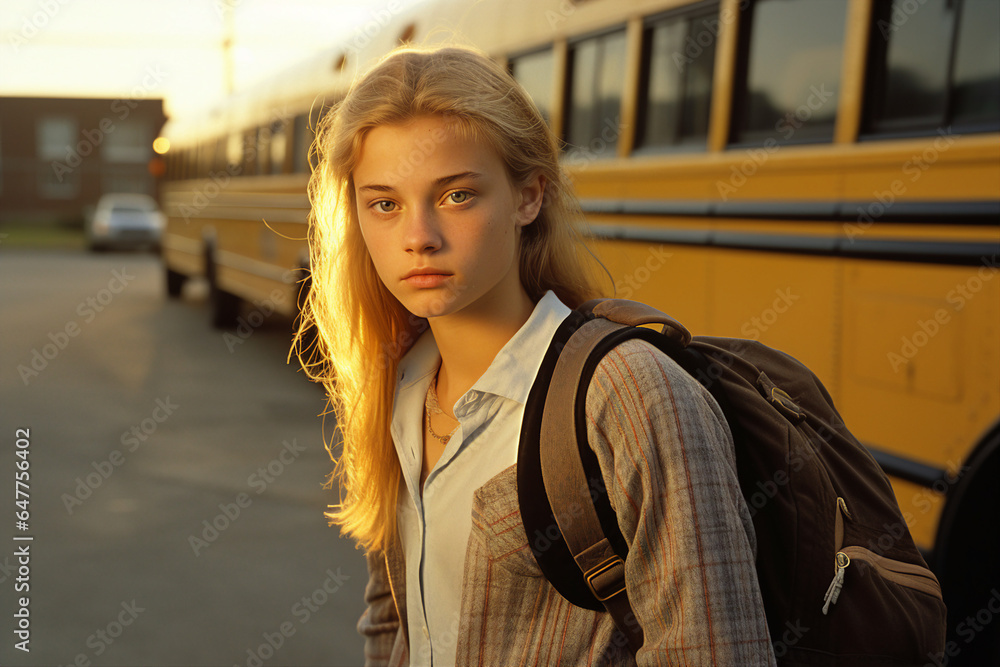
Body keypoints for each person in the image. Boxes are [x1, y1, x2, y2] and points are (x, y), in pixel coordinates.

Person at [294, 45, 776, 666]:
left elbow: (713, 651)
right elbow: (393, 620)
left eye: (456, 195)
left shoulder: (628, 392)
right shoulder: (401, 381)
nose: (418, 238)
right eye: (384, 204)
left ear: (528, 197)